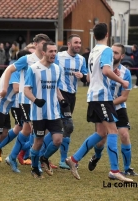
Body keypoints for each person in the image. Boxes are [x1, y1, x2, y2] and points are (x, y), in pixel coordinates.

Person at [65, 23, 133, 183]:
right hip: (102, 96)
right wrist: (122, 80)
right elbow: (105, 71)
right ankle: (114, 170)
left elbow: (91, 77)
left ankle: (74, 159)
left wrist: (111, 74)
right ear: (107, 34)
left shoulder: (93, 51)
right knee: (113, 131)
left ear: (94, 36)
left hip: (93, 95)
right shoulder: (106, 50)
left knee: (101, 133)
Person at [0, 34, 52, 173]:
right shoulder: (26, 59)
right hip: (26, 100)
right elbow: (9, 70)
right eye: (42, 43)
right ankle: (35, 163)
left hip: (39, 101)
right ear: (36, 44)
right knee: (35, 132)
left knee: (27, 130)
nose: (45, 46)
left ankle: (12, 157)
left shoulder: (47, 61)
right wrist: (4, 89)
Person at [88, 43, 138, 176]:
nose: (113, 54)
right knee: (101, 139)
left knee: (124, 135)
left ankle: (127, 168)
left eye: (116, 53)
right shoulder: (102, 69)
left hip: (118, 108)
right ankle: (96, 156)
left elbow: (124, 97)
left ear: (122, 56)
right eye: (112, 52)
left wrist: (109, 104)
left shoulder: (125, 73)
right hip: (102, 106)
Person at [39, 34, 87, 170]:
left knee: (64, 129)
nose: (78, 45)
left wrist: (82, 76)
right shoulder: (59, 56)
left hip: (72, 95)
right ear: (69, 44)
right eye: (76, 42)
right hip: (59, 94)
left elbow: (86, 78)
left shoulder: (81, 59)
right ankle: (42, 156)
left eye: (80, 42)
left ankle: (60, 160)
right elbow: (46, 67)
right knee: (65, 126)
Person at [24, 41, 68, 178]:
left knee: (58, 140)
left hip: (54, 112)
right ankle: (35, 168)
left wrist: (62, 99)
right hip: (38, 113)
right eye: (51, 51)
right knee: (38, 141)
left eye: (55, 51)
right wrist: (35, 100)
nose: (54, 54)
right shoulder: (34, 69)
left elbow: (56, 88)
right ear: (43, 52)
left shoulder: (57, 69)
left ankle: (44, 158)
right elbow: (26, 90)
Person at [0, 50, 33, 165]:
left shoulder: (27, 69)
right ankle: (2, 149)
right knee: (21, 128)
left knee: (25, 129)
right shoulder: (16, 70)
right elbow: (16, 88)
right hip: (17, 104)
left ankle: (23, 155)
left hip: (26, 103)